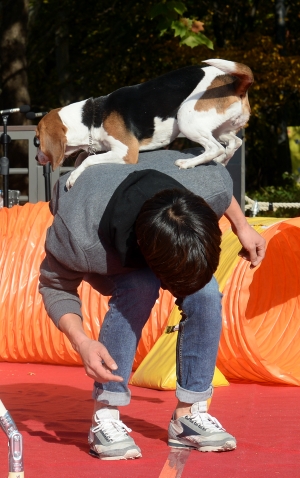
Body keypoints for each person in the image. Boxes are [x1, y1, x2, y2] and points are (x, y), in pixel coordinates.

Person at [39, 147, 266, 461]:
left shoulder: (208, 182)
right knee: (139, 287)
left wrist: (242, 226)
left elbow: (222, 192)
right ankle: (105, 415)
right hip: (94, 209)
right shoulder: (78, 237)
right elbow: (55, 287)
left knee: (205, 292)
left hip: (159, 196)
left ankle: (189, 416)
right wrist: (82, 342)